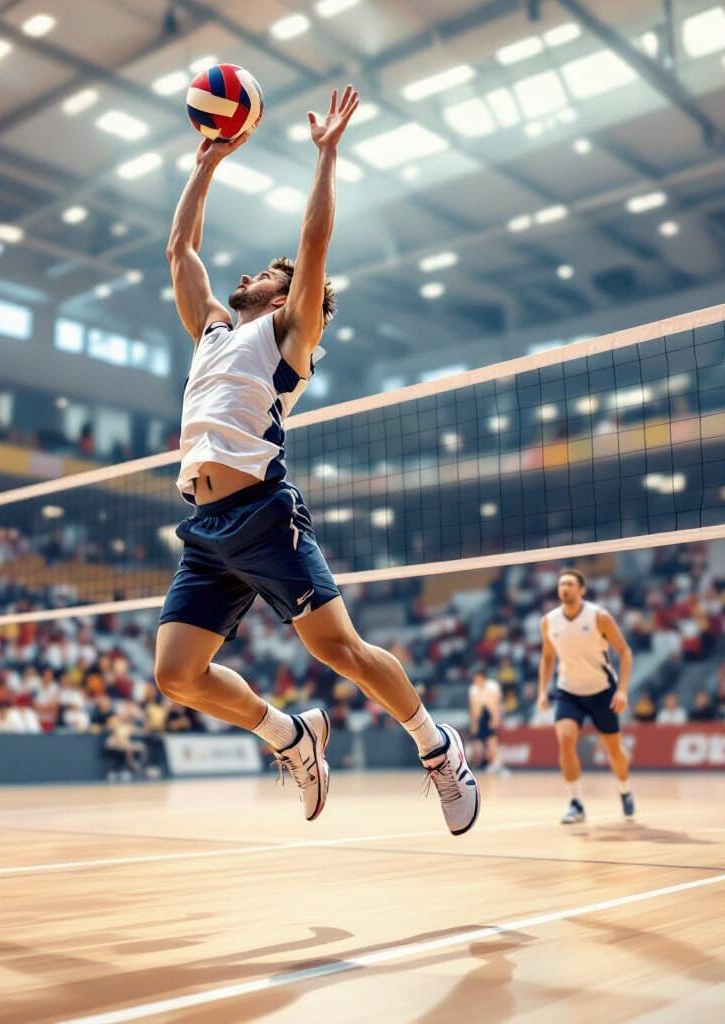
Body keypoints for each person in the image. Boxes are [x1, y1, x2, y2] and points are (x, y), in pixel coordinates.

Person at [155, 84, 479, 834]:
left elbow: (313, 247)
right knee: (176, 675)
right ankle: (291, 736)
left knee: (344, 652)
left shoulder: (287, 338)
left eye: (263, 277)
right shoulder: (212, 332)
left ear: (285, 297)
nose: (245, 279)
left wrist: (327, 156)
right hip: (205, 528)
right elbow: (180, 251)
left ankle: (438, 749)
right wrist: (207, 164)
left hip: (263, 515)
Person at [538, 568, 635, 824]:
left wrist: (622, 690)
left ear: (581, 589)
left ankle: (624, 788)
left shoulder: (599, 617)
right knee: (565, 739)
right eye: (562, 584)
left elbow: (625, 652)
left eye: (570, 584)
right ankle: (576, 802)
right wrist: (542, 690)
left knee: (614, 751)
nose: (565, 588)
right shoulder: (548, 621)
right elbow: (547, 657)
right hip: (568, 690)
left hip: (602, 690)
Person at [468, 671, 506, 773]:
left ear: (483, 677)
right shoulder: (473, 689)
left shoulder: (493, 687)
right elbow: (473, 706)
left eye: (478, 678)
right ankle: (481, 763)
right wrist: (474, 723)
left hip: (491, 714)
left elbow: (497, 703)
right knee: (478, 743)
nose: (476, 680)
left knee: (492, 741)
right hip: (480, 716)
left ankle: (497, 763)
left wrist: (495, 719)